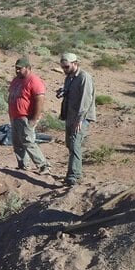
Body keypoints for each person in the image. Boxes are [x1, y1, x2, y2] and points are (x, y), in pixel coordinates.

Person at [57, 53, 96, 186]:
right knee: (70, 144)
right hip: (70, 115)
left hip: (80, 118)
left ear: (75, 63)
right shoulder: (69, 77)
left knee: (75, 144)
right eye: (62, 67)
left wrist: (79, 120)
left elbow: (86, 100)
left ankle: (74, 176)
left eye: (67, 66)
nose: (64, 69)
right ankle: (73, 172)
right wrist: (63, 91)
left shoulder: (84, 77)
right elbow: (69, 91)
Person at [8, 58, 50, 175]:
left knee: (28, 142)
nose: (17, 71)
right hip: (15, 117)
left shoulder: (34, 81)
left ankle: (43, 166)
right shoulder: (16, 80)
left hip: (26, 117)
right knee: (17, 142)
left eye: (20, 68)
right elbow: (11, 95)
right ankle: (23, 165)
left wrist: (34, 118)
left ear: (28, 68)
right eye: (16, 68)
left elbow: (39, 99)